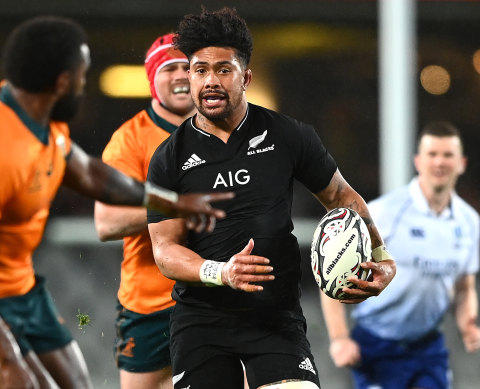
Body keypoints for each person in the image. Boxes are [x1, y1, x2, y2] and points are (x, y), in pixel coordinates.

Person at [0, 16, 232, 389]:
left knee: (78, 384)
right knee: (24, 385)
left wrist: (174, 202)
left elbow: (90, 174)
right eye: (82, 76)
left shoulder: (38, 111)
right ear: (62, 82)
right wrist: (7, 356)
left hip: (19, 289)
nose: (84, 85)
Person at [146, 7, 396, 389]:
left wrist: (383, 260)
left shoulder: (290, 136)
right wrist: (222, 272)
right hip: (202, 324)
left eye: (223, 70)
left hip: (275, 318)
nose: (210, 81)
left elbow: (341, 197)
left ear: (245, 77)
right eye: (200, 71)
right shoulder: (167, 159)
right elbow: (164, 250)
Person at [320, 121, 480, 389]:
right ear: (418, 161)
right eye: (432, 154)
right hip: (376, 345)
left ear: (461, 163)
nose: (439, 162)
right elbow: (334, 275)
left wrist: (469, 324)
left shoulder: (470, 223)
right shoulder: (384, 213)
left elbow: (464, 288)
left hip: (428, 347)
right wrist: (339, 339)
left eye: (448, 155)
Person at [93, 33, 194, 389]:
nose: (181, 75)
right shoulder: (130, 139)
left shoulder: (224, 130)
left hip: (214, 291)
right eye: (170, 68)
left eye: (189, 67)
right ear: (153, 78)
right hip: (150, 302)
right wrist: (178, 207)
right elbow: (107, 222)